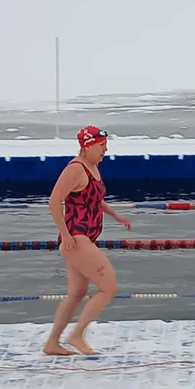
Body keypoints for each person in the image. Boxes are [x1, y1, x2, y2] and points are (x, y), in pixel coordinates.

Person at [45, 125, 131, 356]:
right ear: (88, 145)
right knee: (109, 286)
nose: (106, 150)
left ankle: (52, 343)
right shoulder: (75, 169)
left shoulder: (93, 167)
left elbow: (93, 199)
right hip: (77, 238)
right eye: (102, 146)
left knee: (76, 294)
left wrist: (115, 215)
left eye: (106, 145)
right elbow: (54, 201)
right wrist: (64, 233)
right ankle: (77, 334)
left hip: (85, 238)